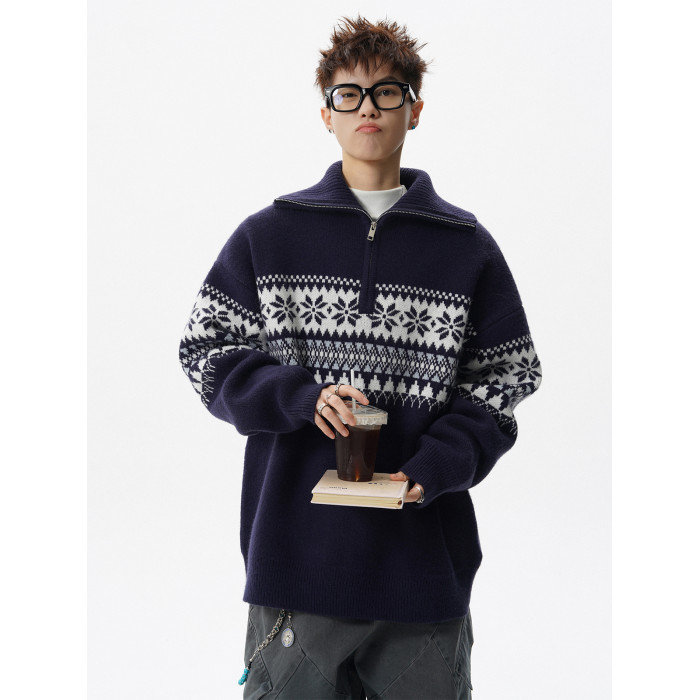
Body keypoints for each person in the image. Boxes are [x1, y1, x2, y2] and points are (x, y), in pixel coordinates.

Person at [178, 14, 542, 700]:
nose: (367, 108)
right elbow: (206, 350)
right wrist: (299, 396)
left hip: (423, 574)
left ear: (415, 109)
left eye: (387, 92)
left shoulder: (466, 247)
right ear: (327, 114)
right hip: (295, 566)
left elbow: (505, 380)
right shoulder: (268, 236)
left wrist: (433, 468)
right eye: (349, 94)